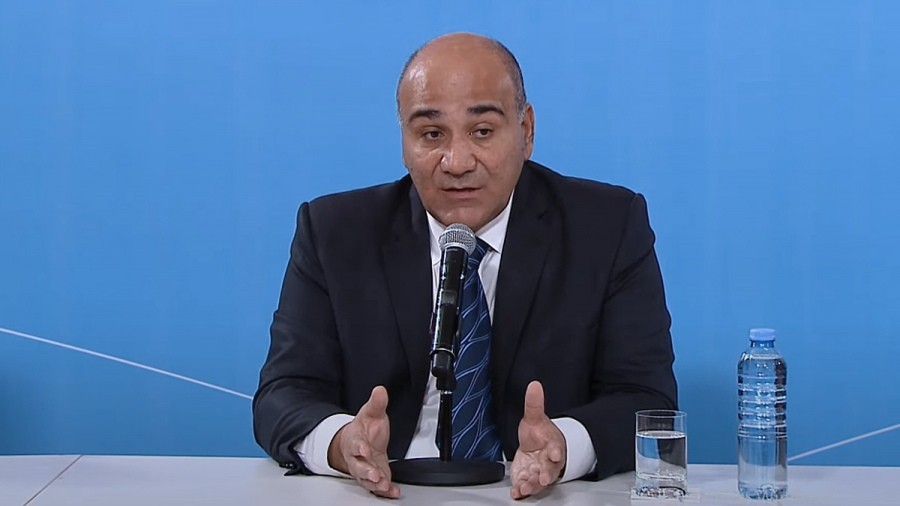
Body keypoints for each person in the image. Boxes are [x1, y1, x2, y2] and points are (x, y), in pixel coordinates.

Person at [253, 32, 677, 500]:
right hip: (383, 491)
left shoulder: (606, 227)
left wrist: (564, 445)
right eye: (431, 134)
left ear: (526, 131)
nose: (456, 162)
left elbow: (646, 396)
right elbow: (282, 394)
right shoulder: (335, 232)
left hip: (539, 494)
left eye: (482, 132)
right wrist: (341, 443)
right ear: (404, 140)